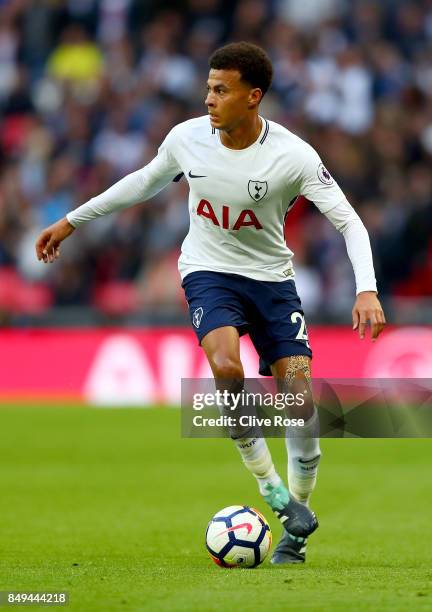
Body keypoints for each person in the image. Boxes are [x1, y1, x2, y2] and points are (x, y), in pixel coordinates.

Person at [35, 42, 386, 564]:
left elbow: (348, 221)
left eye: (221, 90)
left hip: (271, 282)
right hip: (208, 272)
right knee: (225, 366)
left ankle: (296, 526)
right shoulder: (187, 140)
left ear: (253, 96)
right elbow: (139, 184)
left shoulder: (293, 156)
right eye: (208, 88)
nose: (209, 99)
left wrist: (367, 287)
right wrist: (71, 221)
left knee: (300, 405)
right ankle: (271, 491)